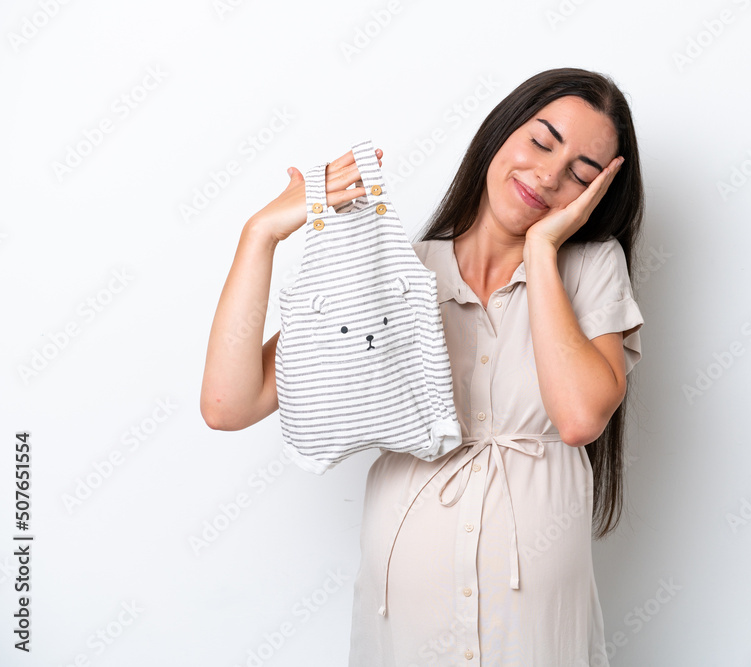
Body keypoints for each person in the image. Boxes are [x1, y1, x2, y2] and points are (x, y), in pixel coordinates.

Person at [200, 66, 645, 666]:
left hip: (534, 613)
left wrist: (542, 250)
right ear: (501, 133)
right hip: (406, 601)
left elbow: (578, 419)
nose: (548, 175)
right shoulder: (398, 273)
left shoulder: (592, 267)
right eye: (542, 143)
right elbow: (230, 404)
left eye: (580, 174)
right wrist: (261, 234)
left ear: (596, 196)